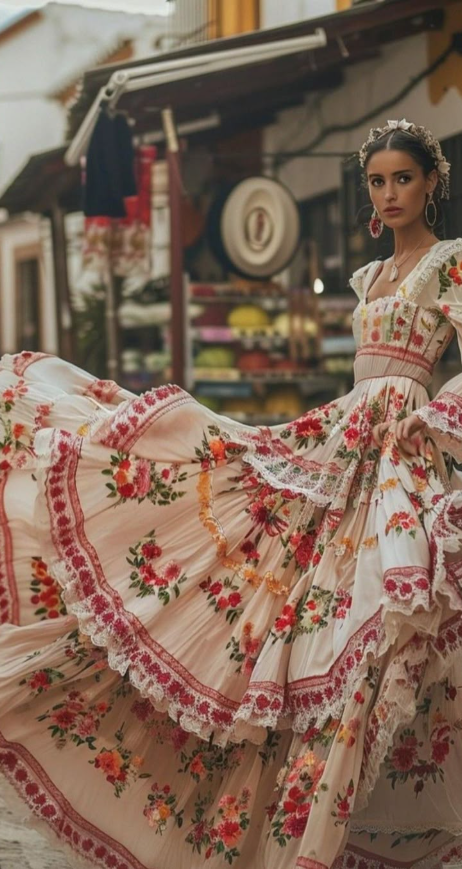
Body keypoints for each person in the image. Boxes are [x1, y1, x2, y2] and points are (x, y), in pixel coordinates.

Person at [0, 118, 462, 869]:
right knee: (291, 606)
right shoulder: (367, 278)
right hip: (344, 446)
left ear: (431, 182)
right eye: (378, 180)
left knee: (382, 627)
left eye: (403, 178)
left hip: (402, 457)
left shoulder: (451, 263)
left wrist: (433, 422)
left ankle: (375, 816)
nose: (390, 192)